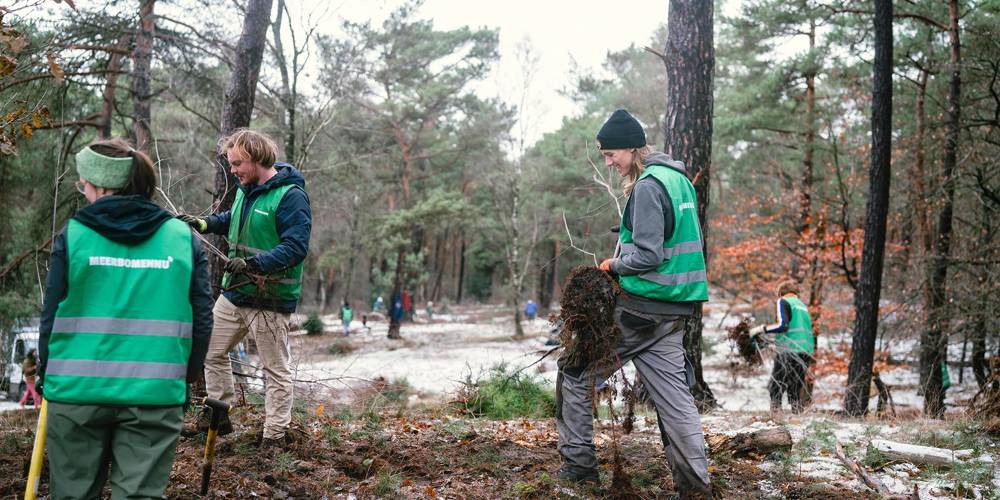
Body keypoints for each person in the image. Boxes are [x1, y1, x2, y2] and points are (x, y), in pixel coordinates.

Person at [37, 138, 213, 498]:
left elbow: (51, 316)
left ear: (101, 185)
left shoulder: (74, 237)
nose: (82, 190)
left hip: (76, 394)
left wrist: (46, 372)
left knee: (72, 494)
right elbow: (202, 319)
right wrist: (185, 377)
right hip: (155, 394)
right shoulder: (183, 239)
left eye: (83, 183)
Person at [556, 109, 711, 497]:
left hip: (643, 308)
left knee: (574, 373)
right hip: (676, 311)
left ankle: (579, 469)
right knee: (676, 402)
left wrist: (613, 264)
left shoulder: (645, 187)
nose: (609, 162)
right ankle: (696, 489)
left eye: (611, 154)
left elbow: (648, 256)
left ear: (631, 147)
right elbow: (672, 238)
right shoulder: (677, 180)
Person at [179, 129, 312, 448]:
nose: (233, 170)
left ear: (257, 158)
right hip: (235, 293)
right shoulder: (245, 189)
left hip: (270, 298)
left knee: (274, 369)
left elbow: (296, 247)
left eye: (238, 163)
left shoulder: (290, 196)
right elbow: (233, 219)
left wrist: (254, 265)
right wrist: (204, 224)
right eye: (231, 164)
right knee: (208, 351)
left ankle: (275, 436)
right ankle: (218, 413)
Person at [750, 280, 816, 413]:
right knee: (795, 388)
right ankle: (797, 417)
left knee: (775, 386)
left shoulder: (783, 301)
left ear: (780, 293)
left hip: (788, 350)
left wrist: (760, 329)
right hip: (805, 351)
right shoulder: (802, 306)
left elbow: (782, 326)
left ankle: (775, 417)